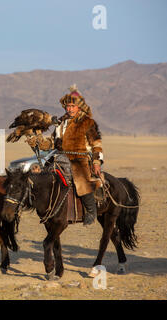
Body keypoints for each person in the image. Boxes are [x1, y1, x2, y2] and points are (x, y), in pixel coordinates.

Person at [27, 84, 103, 225]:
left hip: (80, 158)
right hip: (59, 157)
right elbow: (52, 142)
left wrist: (97, 162)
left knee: (80, 179)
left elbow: (97, 144)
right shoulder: (61, 122)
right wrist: (38, 142)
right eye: (67, 106)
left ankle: (91, 211)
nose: (69, 109)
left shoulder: (88, 122)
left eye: (72, 106)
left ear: (79, 107)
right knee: (43, 176)